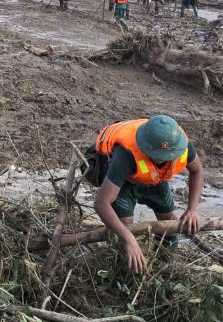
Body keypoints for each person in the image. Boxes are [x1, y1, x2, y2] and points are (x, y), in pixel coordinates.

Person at [86, 116, 205, 274]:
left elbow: (197, 170)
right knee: (124, 226)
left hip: (155, 179)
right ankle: (125, 269)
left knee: (171, 225)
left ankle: (162, 266)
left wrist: (192, 209)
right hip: (125, 183)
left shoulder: (181, 144)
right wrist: (128, 239)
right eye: (161, 157)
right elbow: (101, 203)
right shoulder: (126, 154)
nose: (167, 159)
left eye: (170, 156)